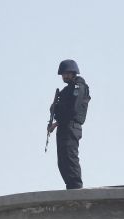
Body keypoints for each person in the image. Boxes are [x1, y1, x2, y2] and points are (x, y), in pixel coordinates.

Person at [48, 59, 91, 189]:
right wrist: (55, 122)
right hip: (64, 127)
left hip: (72, 127)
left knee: (70, 157)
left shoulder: (79, 87)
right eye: (63, 74)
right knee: (62, 160)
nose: (64, 76)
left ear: (73, 73)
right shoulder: (66, 90)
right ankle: (71, 187)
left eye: (67, 73)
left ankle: (76, 187)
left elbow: (73, 109)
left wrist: (59, 114)